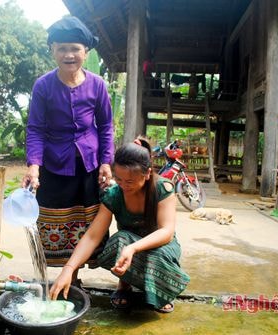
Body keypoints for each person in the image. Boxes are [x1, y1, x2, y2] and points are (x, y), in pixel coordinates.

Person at [22, 16, 115, 284]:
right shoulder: (43, 85)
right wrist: (33, 166)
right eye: (62, 48)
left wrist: (106, 163)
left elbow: (106, 126)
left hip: (89, 166)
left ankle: (74, 274)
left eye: (75, 48)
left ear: (85, 51)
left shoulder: (97, 85)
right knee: (58, 222)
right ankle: (68, 278)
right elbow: (36, 128)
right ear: (52, 50)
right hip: (54, 165)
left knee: (87, 220)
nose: (69, 54)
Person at [49, 138, 190, 313]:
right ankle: (124, 285)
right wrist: (68, 269)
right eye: (119, 179)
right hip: (127, 244)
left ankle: (160, 290)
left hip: (161, 246)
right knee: (119, 242)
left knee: (154, 254)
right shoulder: (114, 195)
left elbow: (166, 232)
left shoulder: (163, 188)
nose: (123, 185)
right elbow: (93, 236)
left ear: (146, 174)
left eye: (129, 181)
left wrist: (133, 248)